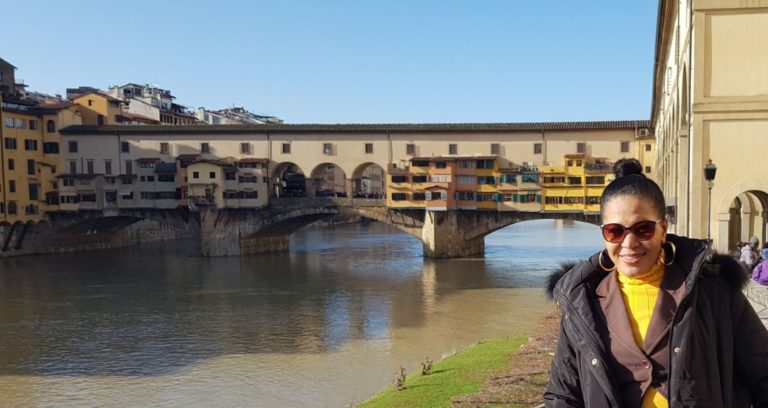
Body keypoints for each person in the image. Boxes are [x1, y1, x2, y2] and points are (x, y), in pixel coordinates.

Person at [544, 158, 768, 407]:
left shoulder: (713, 293)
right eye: (615, 231)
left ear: (663, 229)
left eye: (643, 229)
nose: (629, 243)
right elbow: (562, 394)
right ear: (604, 235)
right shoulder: (582, 302)